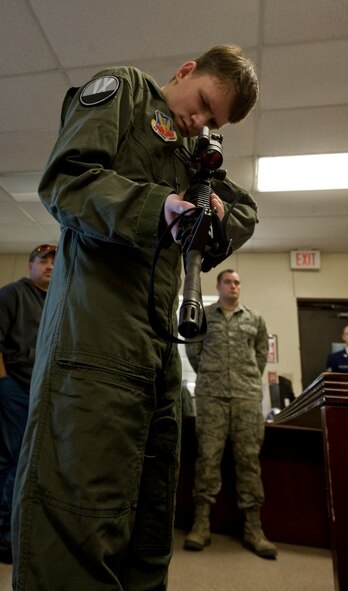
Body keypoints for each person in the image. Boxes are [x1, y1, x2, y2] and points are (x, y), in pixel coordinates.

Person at [12, 45, 260, 590]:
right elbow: (66, 181)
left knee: (146, 526)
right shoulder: (125, 91)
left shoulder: (195, 152)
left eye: (211, 121)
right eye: (200, 105)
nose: (197, 122)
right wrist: (159, 207)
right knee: (77, 515)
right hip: (93, 343)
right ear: (186, 71)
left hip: (156, 354)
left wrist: (214, 212)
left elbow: (244, 210)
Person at [184, 269, 277, 559]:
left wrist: (247, 379)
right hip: (212, 395)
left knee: (249, 459)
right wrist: (210, 377)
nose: (234, 286)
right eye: (228, 282)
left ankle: (253, 528)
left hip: (247, 396)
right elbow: (193, 352)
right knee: (207, 457)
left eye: (237, 282)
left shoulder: (255, 318)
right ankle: (201, 525)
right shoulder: (204, 316)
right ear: (218, 286)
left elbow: (261, 353)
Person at [0, 244, 56, 564]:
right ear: (30, 264)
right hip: (14, 388)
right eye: (43, 261)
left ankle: (18, 529)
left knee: (29, 462)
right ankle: (5, 535)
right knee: (11, 462)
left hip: (41, 391)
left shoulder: (53, 301)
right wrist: (4, 384)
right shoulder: (11, 295)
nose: (49, 266)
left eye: (54, 262)